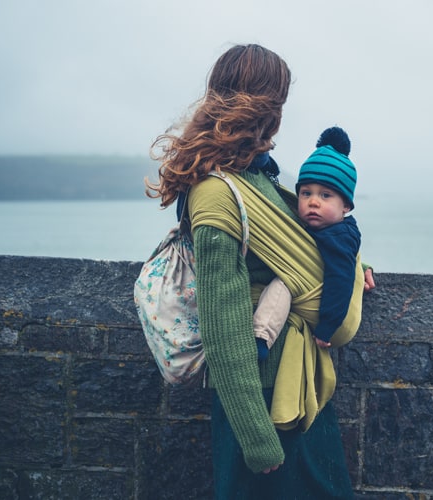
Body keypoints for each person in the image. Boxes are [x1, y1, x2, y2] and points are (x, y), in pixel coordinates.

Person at [146, 43, 375, 499]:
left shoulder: (256, 174)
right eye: (279, 103)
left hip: (298, 380)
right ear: (264, 106)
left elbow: (298, 239)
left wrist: (350, 264)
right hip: (264, 399)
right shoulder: (216, 193)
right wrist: (255, 436)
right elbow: (225, 325)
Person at [253, 126, 362, 360]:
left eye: (325, 195)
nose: (313, 202)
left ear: (345, 206)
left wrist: (327, 326)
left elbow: (341, 279)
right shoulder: (313, 227)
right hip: (306, 280)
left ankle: (261, 337)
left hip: (321, 301)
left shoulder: (340, 236)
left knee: (283, 284)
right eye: (306, 193)